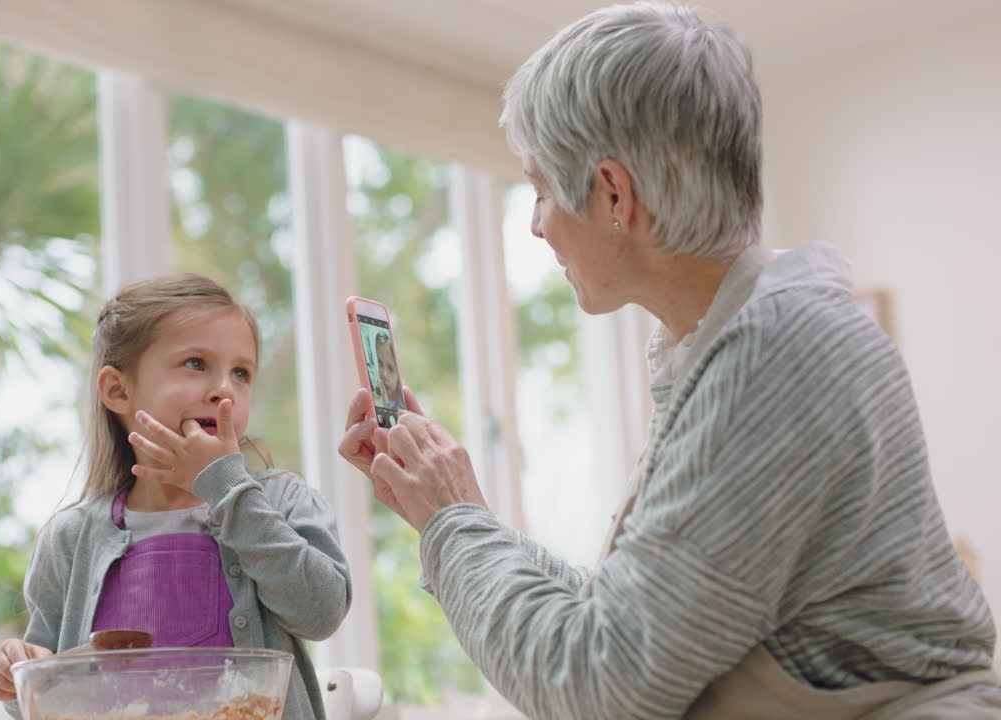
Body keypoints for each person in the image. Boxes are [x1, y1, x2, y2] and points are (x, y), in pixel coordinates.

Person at [338, 3, 1000, 719]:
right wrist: (453, 510)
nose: (536, 225)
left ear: (614, 195)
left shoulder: (772, 358)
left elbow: (597, 683)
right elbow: (624, 623)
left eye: (539, 190)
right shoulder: (752, 339)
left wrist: (453, 521)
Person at [0, 273, 351, 720]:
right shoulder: (71, 538)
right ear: (118, 391)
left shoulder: (280, 501)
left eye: (241, 373)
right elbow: (44, 686)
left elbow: (322, 613)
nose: (225, 389)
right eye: (196, 363)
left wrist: (228, 490)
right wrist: (15, 673)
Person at [372, 331, 402, 410]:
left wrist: (386, 406)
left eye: (390, 368)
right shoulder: (374, 393)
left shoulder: (403, 405)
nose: (384, 374)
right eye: (380, 364)